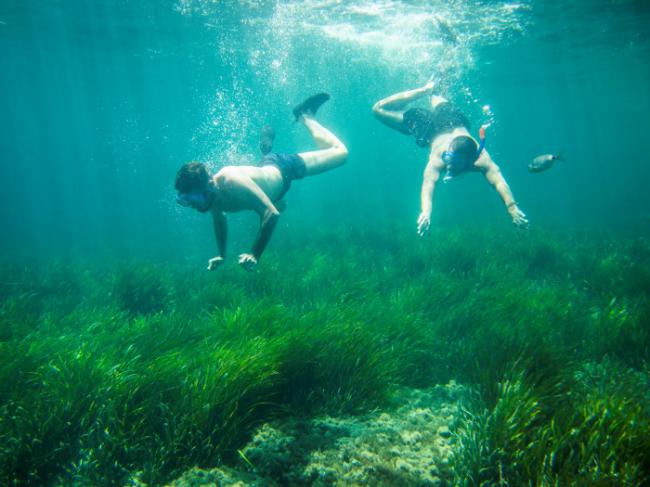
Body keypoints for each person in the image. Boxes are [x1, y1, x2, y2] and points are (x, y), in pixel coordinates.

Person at [175, 93, 347, 271]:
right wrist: (222, 255)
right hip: (271, 185)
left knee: (340, 153)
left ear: (210, 184)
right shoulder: (211, 198)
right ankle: (266, 147)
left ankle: (304, 114)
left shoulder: (230, 181)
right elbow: (219, 220)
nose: (194, 205)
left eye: (195, 199)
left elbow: (271, 214)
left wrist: (254, 254)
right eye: (186, 201)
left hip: (284, 168)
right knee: (281, 203)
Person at [372, 81, 528, 235]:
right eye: (448, 160)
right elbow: (428, 184)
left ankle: (426, 89)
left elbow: (499, 181)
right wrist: (425, 212)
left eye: (453, 164)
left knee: (433, 92)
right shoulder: (440, 156)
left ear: (469, 161)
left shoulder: (481, 159)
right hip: (432, 125)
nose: (448, 166)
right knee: (378, 109)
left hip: (453, 118)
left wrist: (512, 208)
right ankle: (425, 89)